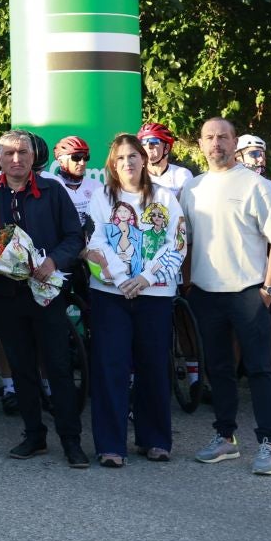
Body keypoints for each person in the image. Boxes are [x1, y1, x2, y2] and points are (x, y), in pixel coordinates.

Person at [178, 118, 271, 475]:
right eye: (210, 138)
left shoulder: (260, 186)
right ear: (200, 145)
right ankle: (225, 437)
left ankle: (267, 442)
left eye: (223, 137)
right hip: (205, 293)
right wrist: (186, 284)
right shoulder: (191, 189)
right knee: (219, 369)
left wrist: (269, 289)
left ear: (235, 142)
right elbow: (188, 242)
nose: (217, 143)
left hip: (248, 292)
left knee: (259, 369)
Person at [0, 129, 88, 467]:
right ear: (0, 158)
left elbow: (73, 236)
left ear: (33, 157)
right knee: (21, 367)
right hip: (7, 294)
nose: (16, 159)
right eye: (9, 154)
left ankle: (71, 440)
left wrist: (53, 261)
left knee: (58, 367)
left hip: (47, 294)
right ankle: (34, 434)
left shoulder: (53, 191)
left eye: (22, 152)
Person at [83, 135, 186, 466]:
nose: (127, 163)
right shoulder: (101, 197)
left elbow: (177, 242)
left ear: (144, 159)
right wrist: (121, 277)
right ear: (112, 165)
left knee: (153, 367)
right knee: (110, 368)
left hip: (154, 295)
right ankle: (110, 445)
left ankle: (154, 439)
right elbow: (93, 240)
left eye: (133, 156)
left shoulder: (166, 199)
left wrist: (145, 277)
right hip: (110, 296)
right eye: (120, 158)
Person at [138, 123, 193, 193]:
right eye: (143, 142)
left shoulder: (182, 175)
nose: (148, 146)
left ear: (166, 148)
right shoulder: (137, 177)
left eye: (154, 141)